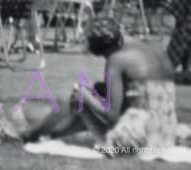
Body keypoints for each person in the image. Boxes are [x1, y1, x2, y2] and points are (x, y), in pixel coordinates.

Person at [21, 17, 177, 154]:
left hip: (137, 140)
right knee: (99, 91)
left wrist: (86, 96)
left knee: (79, 98)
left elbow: (111, 116)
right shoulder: (154, 48)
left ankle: (30, 134)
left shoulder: (117, 59)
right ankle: (50, 134)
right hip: (166, 134)